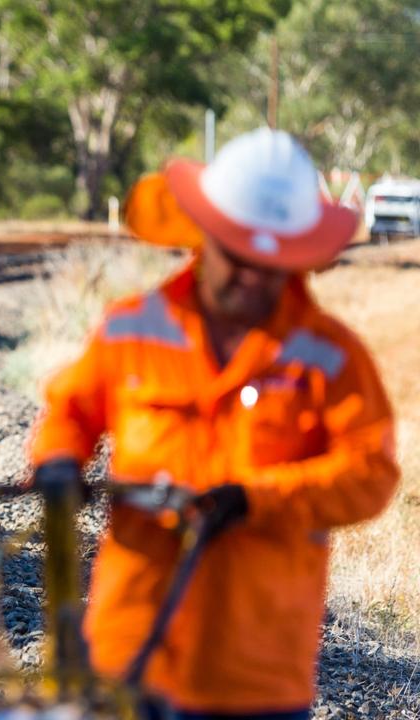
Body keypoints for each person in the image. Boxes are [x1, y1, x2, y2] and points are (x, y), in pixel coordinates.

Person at [30, 128, 399, 719]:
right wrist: (57, 460)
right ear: (205, 238)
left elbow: (370, 474)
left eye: (272, 265)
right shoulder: (131, 329)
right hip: (131, 644)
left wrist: (258, 500)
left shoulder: (331, 357)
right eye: (239, 259)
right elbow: (70, 410)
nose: (252, 278)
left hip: (254, 669)